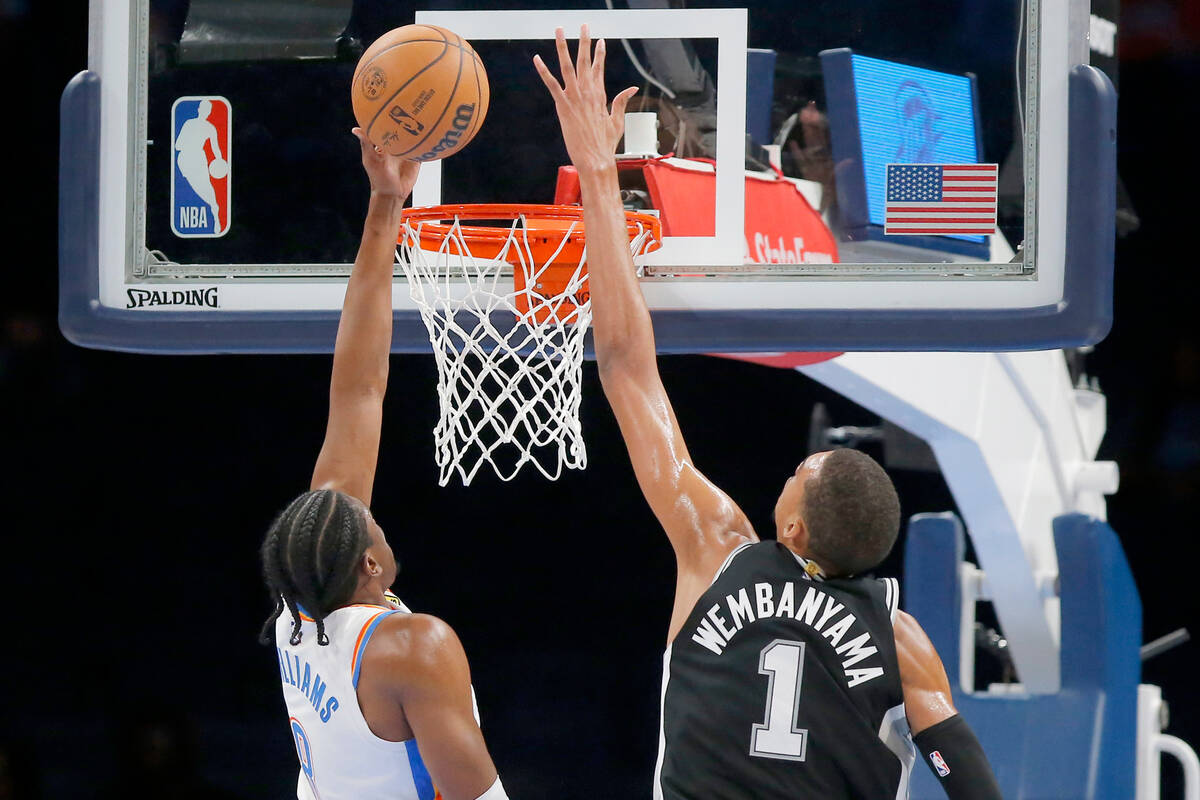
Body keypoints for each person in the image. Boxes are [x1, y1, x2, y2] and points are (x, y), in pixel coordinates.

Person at [534, 26, 1003, 800]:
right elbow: (971, 782)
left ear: (792, 529)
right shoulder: (900, 638)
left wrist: (593, 168)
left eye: (796, 472)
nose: (786, 473)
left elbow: (624, 366)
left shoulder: (716, 546)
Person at [258, 130, 509, 800]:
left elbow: (359, 388)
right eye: (369, 525)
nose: (366, 510)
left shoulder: (300, 611)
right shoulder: (409, 646)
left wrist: (384, 205)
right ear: (369, 563)